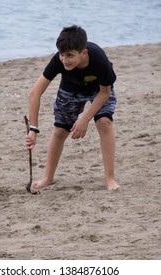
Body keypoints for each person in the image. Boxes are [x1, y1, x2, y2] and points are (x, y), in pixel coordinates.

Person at [25, 25, 120, 193]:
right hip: (71, 90)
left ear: (83, 52)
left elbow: (105, 93)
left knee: (104, 122)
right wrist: (33, 129)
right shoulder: (58, 60)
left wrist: (85, 119)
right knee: (60, 131)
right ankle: (48, 178)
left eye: (69, 55)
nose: (64, 59)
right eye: (62, 54)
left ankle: (110, 178)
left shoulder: (99, 59)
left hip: (98, 90)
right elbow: (35, 94)